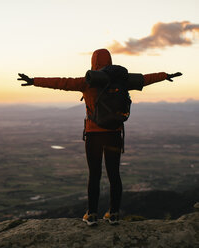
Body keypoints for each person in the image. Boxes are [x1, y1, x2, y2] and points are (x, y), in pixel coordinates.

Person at [17, 48, 182, 226]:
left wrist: (33, 81)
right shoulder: (123, 80)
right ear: (110, 61)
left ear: (93, 62)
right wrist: (165, 75)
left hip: (94, 136)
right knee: (114, 175)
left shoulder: (88, 81)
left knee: (94, 175)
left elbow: (60, 82)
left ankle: (92, 214)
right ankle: (114, 214)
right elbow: (146, 78)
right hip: (114, 135)